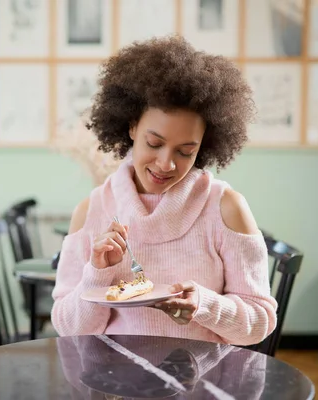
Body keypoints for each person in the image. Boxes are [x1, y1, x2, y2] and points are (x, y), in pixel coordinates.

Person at [51, 35, 277, 346]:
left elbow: (258, 323)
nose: (166, 164)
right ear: (132, 128)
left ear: (205, 145)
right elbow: (68, 329)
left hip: (200, 385)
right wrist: (98, 273)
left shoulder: (226, 208)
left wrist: (204, 305)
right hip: (114, 384)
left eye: (185, 151)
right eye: (154, 143)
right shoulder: (91, 211)